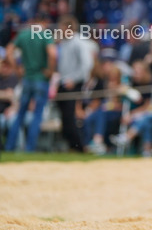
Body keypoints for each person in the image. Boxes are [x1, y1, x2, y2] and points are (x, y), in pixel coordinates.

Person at [5, 16, 57, 151]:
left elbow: (9, 50)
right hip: (41, 79)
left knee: (20, 114)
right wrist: (50, 72)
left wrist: (16, 69)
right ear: (44, 22)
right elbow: (52, 54)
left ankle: (10, 146)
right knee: (37, 115)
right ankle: (30, 148)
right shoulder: (45, 34)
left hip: (27, 78)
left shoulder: (23, 34)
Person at [55, 16, 97, 153]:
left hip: (73, 83)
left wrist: (74, 79)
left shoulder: (79, 42)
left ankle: (79, 146)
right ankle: (72, 145)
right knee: (64, 117)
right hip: (63, 82)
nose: (59, 30)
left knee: (69, 116)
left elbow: (87, 64)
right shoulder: (64, 42)